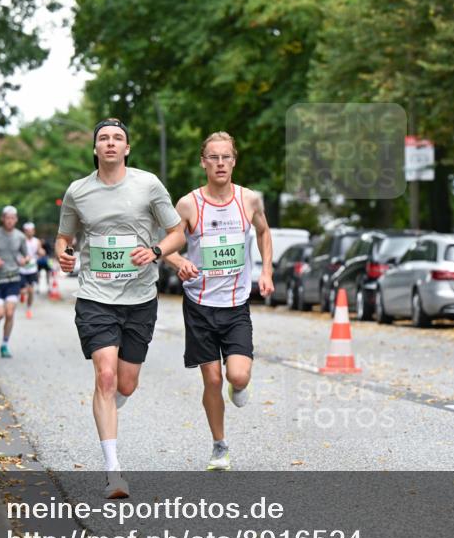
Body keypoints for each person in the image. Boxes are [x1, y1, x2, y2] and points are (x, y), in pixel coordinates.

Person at [56, 118, 184, 499]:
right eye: (103, 138)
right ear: (95, 148)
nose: (110, 143)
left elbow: (178, 232)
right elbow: (65, 237)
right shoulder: (78, 191)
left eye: (118, 138)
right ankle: (114, 472)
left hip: (140, 298)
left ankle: (108, 404)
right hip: (96, 297)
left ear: (127, 148)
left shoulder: (148, 185)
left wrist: (158, 251)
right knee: (106, 377)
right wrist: (63, 254)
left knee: (126, 383)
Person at [164, 131, 274, 471]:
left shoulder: (249, 200)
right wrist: (179, 261)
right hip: (199, 304)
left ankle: (238, 387)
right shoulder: (188, 203)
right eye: (213, 157)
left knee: (237, 377)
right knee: (212, 379)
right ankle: (219, 446)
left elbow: (263, 232)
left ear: (234, 160)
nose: (220, 162)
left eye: (226, 156)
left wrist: (266, 271)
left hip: (236, 303)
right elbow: (165, 242)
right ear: (204, 162)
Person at [0, 206, 31, 358]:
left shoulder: (20, 236)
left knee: (9, 313)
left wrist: (24, 261)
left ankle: (4, 345)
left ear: (16, 220)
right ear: (2, 218)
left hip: (13, 279)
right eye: (7, 218)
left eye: (12, 218)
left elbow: (27, 256)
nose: (10, 221)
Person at [19, 222, 44, 318]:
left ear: (34, 231)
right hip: (22, 269)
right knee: (23, 291)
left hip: (32, 269)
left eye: (31, 231)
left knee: (31, 291)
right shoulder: (21, 241)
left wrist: (42, 252)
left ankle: (28, 309)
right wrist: (21, 260)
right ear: (24, 231)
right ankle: (21, 294)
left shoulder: (36, 241)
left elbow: (40, 251)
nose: (30, 232)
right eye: (28, 231)